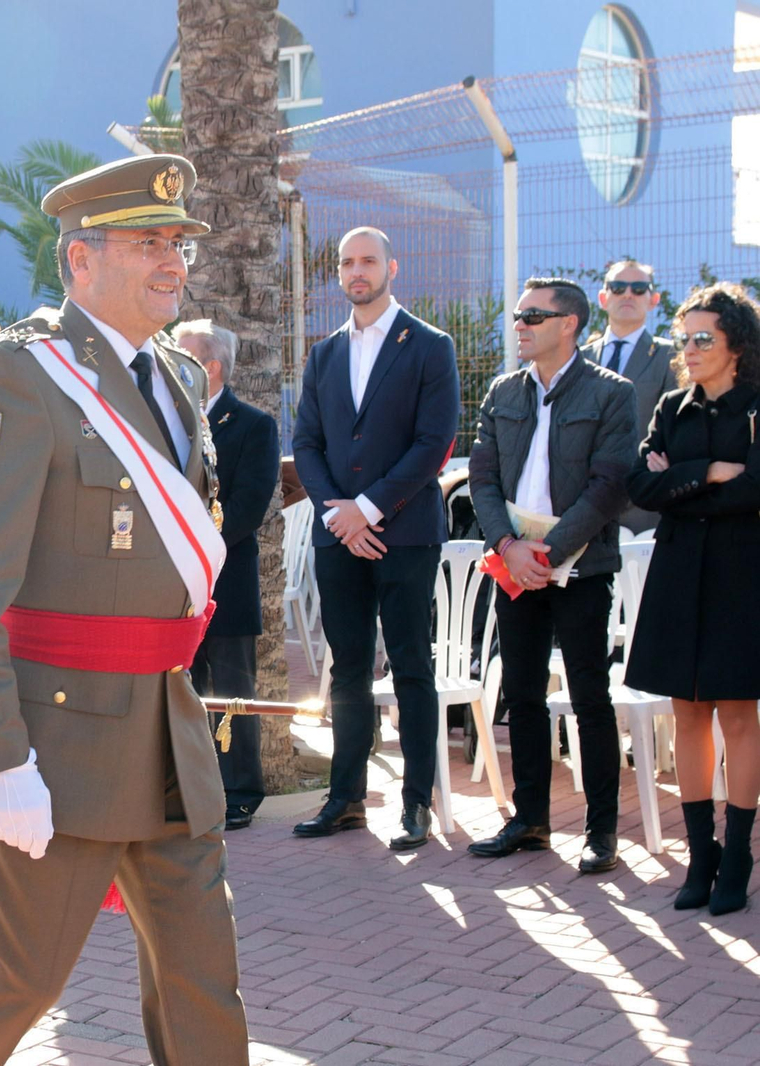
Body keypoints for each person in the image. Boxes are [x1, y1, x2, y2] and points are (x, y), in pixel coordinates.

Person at [0, 154, 245, 1065]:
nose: (173, 261)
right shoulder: (18, 376)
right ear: (79, 261)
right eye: (148, 243)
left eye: (178, 243)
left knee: (203, 985)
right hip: (54, 742)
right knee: (17, 980)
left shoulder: (179, 376)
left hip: (168, 729)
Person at [290, 226, 460, 850]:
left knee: (413, 667)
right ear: (338, 274)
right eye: (346, 263)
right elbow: (306, 442)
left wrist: (367, 508)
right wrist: (338, 515)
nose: (357, 271)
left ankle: (416, 804)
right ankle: (346, 799)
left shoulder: (430, 345)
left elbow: (434, 443)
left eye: (368, 260)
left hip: (405, 534)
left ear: (393, 265)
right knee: (348, 671)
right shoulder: (324, 353)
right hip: (340, 537)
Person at [467, 277, 636, 874]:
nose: (520, 324)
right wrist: (510, 546)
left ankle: (601, 833)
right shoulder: (501, 392)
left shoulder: (612, 394)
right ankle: (530, 820)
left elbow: (610, 485)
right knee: (523, 694)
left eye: (534, 316)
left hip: (581, 567)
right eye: (517, 315)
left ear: (569, 324)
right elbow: (482, 480)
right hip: (515, 566)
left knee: (590, 697)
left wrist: (550, 551)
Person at [625, 282, 760, 916]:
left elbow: (754, 492)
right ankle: (699, 857)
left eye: (705, 337)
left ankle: (737, 858)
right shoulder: (673, 408)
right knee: (687, 714)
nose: (692, 348)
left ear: (737, 343)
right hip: (680, 576)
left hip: (741, 575)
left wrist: (677, 479)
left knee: (737, 715)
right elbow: (640, 488)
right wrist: (705, 473)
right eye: (686, 337)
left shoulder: (758, 407)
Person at [175, 319, 279, 830]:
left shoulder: (253, 424)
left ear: (209, 366)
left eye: (182, 354)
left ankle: (240, 790)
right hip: (172, 583)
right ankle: (190, 787)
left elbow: (249, 505)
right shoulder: (166, 421)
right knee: (182, 688)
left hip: (226, 579)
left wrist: (198, 546)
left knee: (234, 691)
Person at [581, 259, 679, 534]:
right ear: (603, 298)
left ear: (653, 299)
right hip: (581, 504)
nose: (627, 294)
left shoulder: (670, 357)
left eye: (638, 288)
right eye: (618, 287)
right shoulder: (579, 359)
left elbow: (671, 429)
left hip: (641, 505)